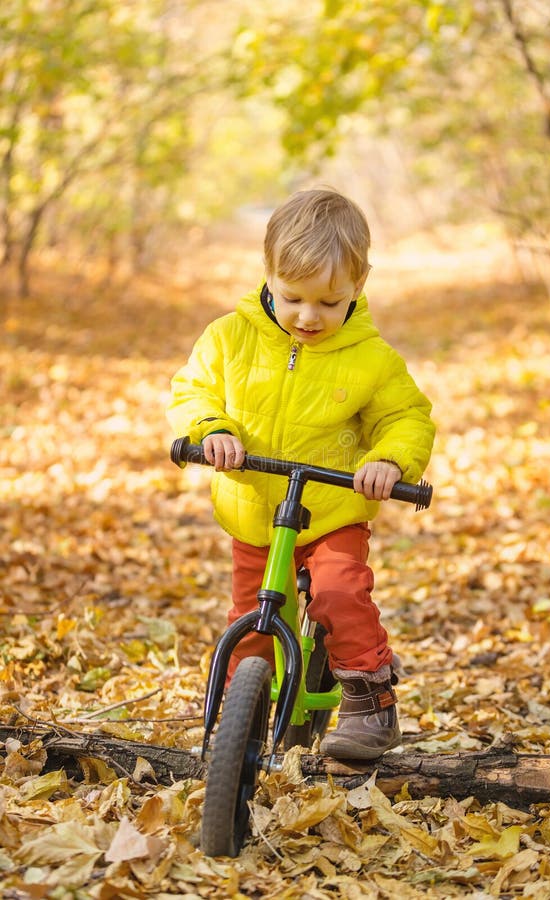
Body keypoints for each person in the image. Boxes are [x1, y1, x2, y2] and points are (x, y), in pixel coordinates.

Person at [167, 188, 435, 760]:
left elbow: (405, 417)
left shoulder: (371, 359)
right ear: (267, 273)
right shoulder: (228, 338)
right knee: (252, 622)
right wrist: (211, 428)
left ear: (357, 289)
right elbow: (193, 390)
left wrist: (388, 461)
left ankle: (371, 698)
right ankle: (243, 718)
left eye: (328, 302)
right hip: (255, 513)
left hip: (331, 512)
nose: (308, 316)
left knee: (339, 595)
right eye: (293, 298)